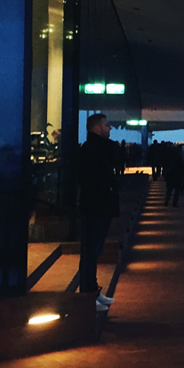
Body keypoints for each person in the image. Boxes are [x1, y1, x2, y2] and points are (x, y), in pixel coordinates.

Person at [77, 113, 119, 312]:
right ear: (96, 128)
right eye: (106, 125)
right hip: (97, 207)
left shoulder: (92, 149)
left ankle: (92, 291)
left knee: (94, 250)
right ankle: (87, 295)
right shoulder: (95, 150)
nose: (110, 128)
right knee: (91, 251)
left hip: (97, 206)